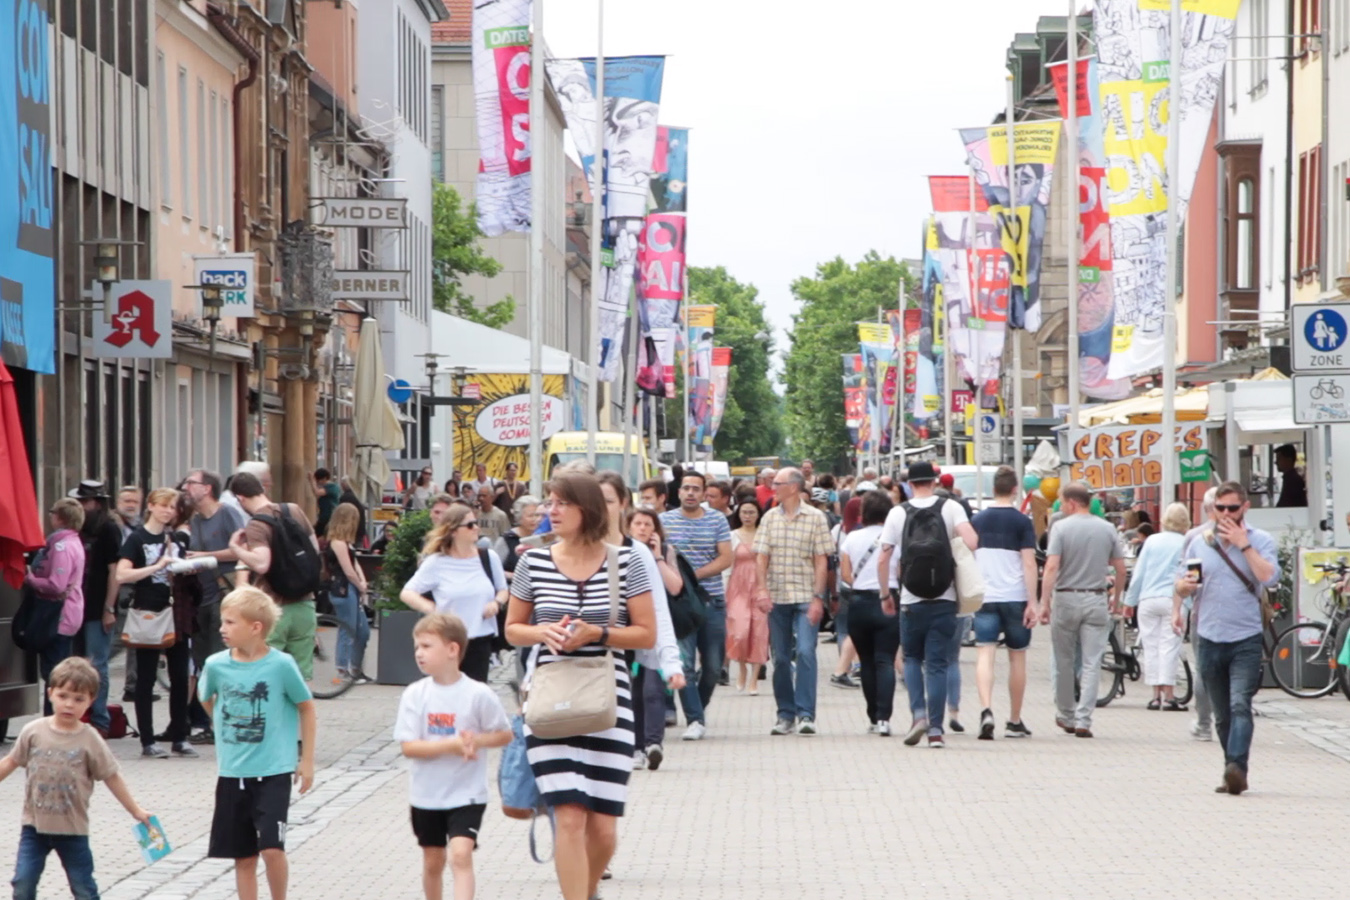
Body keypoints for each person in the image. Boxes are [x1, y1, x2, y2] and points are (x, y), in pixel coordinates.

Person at [504, 471, 656, 900]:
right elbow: (512, 628)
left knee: (603, 828)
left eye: (560, 503)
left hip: (608, 698)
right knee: (568, 816)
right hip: (551, 696)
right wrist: (543, 632)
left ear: (585, 509)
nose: (549, 511)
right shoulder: (533, 562)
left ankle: (586, 891)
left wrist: (599, 633)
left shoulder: (627, 562)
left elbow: (646, 634)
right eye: (548, 502)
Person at [0, 658, 152, 900]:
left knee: (83, 887)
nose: (69, 704)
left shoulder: (90, 739)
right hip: (34, 827)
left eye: (79, 699)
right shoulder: (33, 731)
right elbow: (10, 761)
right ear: (50, 693)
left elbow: (111, 776)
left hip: (73, 829)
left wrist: (135, 810)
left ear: (91, 701)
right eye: (63, 696)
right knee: (23, 883)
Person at [199, 587, 317, 900]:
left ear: (255, 627)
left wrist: (306, 760)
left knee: (272, 849)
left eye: (230, 622)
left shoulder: (282, 665)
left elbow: (306, 707)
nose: (222, 628)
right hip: (233, 773)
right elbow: (206, 696)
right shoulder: (216, 665)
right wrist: (222, 722)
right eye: (222, 621)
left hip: (273, 771)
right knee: (244, 856)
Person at [395, 614, 512, 900]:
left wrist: (477, 741)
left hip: (467, 793)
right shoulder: (414, 694)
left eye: (426, 646)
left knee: (461, 854)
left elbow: (504, 734)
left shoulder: (478, 694)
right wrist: (451, 745)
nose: (419, 653)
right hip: (426, 794)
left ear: (452, 649)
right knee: (433, 861)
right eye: (417, 647)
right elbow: (409, 747)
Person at [1174, 481, 1278, 795]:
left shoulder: (1261, 540)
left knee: (1240, 704)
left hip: (1245, 636)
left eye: (1233, 508)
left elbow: (1268, 577)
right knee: (1221, 714)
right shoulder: (1200, 542)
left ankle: (1237, 768)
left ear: (1245, 507)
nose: (1226, 514)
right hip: (1209, 635)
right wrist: (1183, 590)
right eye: (1221, 508)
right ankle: (1230, 767)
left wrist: (1244, 545)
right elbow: (1183, 582)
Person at [874, 461, 977, 748]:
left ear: (910, 484)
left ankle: (917, 714)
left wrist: (885, 594)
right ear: (934, 481)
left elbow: (883, 558)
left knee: (911, 659)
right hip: (945, 597)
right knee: (937, 664)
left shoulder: (898, 512)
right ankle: (936, 731)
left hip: (911, 599)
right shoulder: (951, 507)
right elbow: (972, 541)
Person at [596, 471, 683, 770]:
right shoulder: (576, 547)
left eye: (608, 501)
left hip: (630, 643)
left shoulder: (637, 553)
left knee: (644, 691)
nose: (599, 507)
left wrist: (671, 662)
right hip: (585, 660)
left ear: (623, 503)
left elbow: (659, 609)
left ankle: (645, 744)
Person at [1040, 482, 1127, 738]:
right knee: (1092, 662)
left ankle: (1066, 714)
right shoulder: (1107, 528)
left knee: (1064, 661)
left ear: (1071, 503)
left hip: (1066, 597)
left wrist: (1044, 602)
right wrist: (1117, 599)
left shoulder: (1061, 528)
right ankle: (1084, 720)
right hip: (1096, 598)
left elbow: (1052, 567)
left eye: (1062, 503)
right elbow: (1120, 569)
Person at [117, 487, 195, 758]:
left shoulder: (176, 538)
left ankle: (179, 735)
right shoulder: (137, 539)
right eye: (163, 505)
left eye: (172, 507)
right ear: (150, 506)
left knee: (180, 677)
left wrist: (188, 569)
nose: (168, 511)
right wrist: (157, 566)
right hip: (149, 610)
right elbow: (121, 574)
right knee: (146, 677)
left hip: (176, 611)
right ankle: (148, 740)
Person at [756, 467, 834, 736]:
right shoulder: (769, 518)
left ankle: (806, 714)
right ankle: (785, 714)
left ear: (792, 487)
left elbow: (821, 560)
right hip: (777, 598)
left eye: (777, 483)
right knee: (780, 658)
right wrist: (762, 590)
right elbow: (761, 557)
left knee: (805, 652)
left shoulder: (816, 518)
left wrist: (818, 598)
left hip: (805, 596)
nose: (772, 487)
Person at [661, 470, 733, 741]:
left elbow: (725, 557)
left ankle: (697, 710)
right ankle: (695, 719)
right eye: (686, 488)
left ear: (704, 494)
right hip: (680, 604)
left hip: (711, 599)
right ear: (678, 492)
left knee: (713, 666)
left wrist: (692, 577)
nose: (690, 493)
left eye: (696, 489)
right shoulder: (664, 520)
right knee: (685, 663)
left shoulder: (716, 519)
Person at [228, 472, 322, 679]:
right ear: (261, 489)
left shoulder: (256, 525)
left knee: (266, 672)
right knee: (301, 675)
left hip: (274, 608)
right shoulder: (293, 510)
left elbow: (262, 564)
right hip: (305, 604)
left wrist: (236, 548)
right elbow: (314, 550)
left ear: (240, 498)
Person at [401, 503, 508, 683]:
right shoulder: (437, 562)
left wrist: (496, 603)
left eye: (476, 522)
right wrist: (432, 609)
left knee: (474, 693)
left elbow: (503, 590)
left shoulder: (489, 558)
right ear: (453, 531)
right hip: (447, 640)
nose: (476, 528)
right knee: (446, 691)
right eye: (470, 525)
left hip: (480, 639)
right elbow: (408, 592)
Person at [969, 466, 1039, 740]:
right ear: (1014, 489)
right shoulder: (1022, 522)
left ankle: (986, 709)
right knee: (1017, 656)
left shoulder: (977, 520)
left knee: (985, 653)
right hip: (1015, 597)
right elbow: (1029, 563)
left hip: (985, 596)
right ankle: (1014, 720)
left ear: (993, 488)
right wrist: (1033, 601)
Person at [183, 469, 248, 742]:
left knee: (221, 658)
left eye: (191, 483)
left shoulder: (227, 514)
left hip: (224, 597)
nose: (185, 487)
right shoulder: (195, 520)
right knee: (203, 661)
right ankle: (207, 722)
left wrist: (204, 555)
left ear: (207, 488)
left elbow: (240, 550)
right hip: (201, 597)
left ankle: (225, 723)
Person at [624, 506, 688, 770]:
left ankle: (653, 744)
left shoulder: (665, 552)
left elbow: (675, 587)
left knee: (653, 690)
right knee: (633, 693)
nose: (642, 529)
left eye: (648, 525)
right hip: (628, 634)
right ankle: (636, 747)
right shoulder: (621, 552)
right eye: (637, 524)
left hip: (656, 632)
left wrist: (658, 556)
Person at [840, 490, 900, 735]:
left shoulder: (851, 538)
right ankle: (885, 717)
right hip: (888, 600)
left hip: (859, 602)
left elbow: (846, 574)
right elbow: (901, 571)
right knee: (885, 660)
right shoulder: (895, 538)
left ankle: (873, 716)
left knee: (866, 661)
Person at [1124, 502, 1191, 710]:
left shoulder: (1152, 541)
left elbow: (1139, 573)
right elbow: (1191, 575)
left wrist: (1129, 601)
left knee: (1151, 646)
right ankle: (1169, 696)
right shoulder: (1187, 543)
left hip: (1148, 599)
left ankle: (1155, 696)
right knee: (1169, 647)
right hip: (1174, 600)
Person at [68, 480, 122, 735]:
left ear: (97, 503)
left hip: (97, 606)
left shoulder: (109, 528)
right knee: (76, 663)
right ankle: (79, 716)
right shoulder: (78, 529)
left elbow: (115, 572)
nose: (81, 506)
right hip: (77, 606)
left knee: (97, 664)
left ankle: (100, 720)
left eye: (84, 501)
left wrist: (109, 608)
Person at [26, 498, 87, 715]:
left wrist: (31, 579)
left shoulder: (61, 547)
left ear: (60, 518)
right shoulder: (73, 542)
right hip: (68, 612)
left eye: (52, 512)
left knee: (54, 674)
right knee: (57, 671)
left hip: (59, 616)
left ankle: (53, 719)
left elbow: (57, 585)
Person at [1183, 487, 1219, 741]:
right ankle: (1223, 721)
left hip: (1203, 611)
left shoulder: (1194, 537)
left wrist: (1180, 606)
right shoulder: (1247, 536)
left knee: (1204, 668)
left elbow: (1190, 581)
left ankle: (1205, 723)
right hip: (1236, 615)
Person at [724, 499, 770, 695]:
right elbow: (727, 565)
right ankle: (742, 667)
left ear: (758, 514)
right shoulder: (732, 536)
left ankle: (754, 679)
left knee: (759, 632)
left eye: (752, 512)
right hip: (738, 588)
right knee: (740, 631)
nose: (748, 516)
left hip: (761, 587)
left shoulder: (765, 535)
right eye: (744, 512)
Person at [326, 503, 372, 682]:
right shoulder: (337, 543)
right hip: (344, 588)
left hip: (350, 587)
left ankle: (355, 667)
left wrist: (362, 581)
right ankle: (343, 669)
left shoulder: (345, 543)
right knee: (348, 629)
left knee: (363, 631)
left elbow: (355, 564)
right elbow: (348, 570)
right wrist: (360, 585)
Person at [493, 495, 542, 582]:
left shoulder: (543, 537)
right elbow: (494, 569)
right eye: (530, 516)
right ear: (519, 518)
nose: (535, 519)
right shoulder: (507, 539)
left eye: (537, 515)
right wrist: (514, 576)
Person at [337, 476, 369, 548]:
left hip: (352, 532)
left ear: (343, 485)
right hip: (359, 530)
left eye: (341, 484)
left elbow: (344, 515)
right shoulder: (356, 495)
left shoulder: (346, 497)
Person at [312, 468, 341, 536]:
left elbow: (317, 493)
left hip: (328, 516)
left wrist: (311, 481)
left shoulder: (331, 486)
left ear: (324, 478)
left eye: (318, 480)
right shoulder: (328, 487)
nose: (317, 482)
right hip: (324, 516)